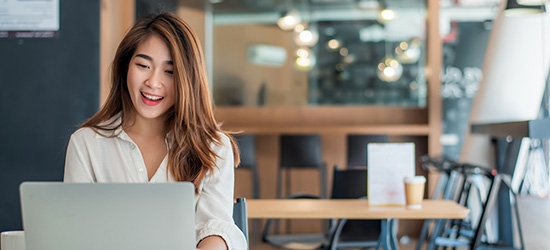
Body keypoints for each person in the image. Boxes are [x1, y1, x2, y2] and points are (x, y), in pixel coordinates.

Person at [63, 12, 247, 250]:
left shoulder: (213, 146)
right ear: (125, 67)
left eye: (169, 72)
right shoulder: (86, 144)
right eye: (143, 65)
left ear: (187, 80)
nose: (153, 82)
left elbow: (214, 228)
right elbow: (74, 232)